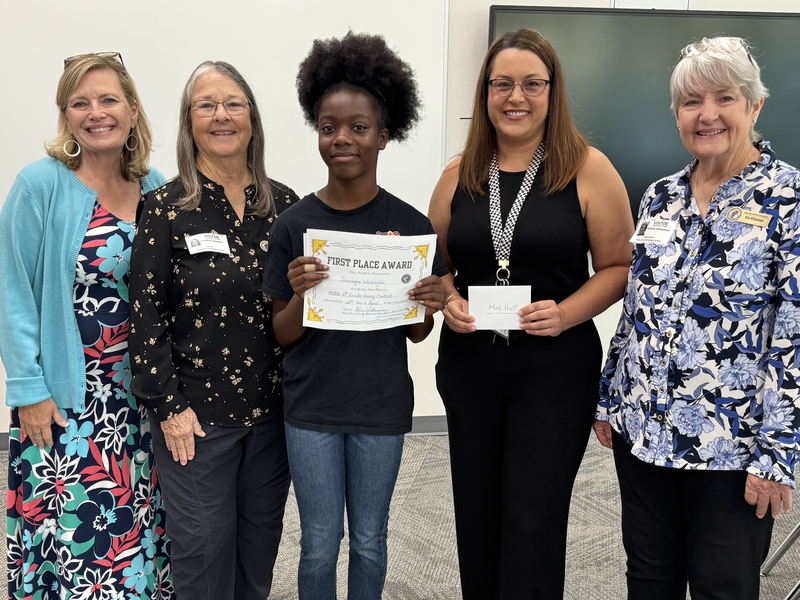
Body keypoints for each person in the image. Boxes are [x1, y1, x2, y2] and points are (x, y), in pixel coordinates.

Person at [429, 29, 634, 599]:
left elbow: (619, 266)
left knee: (532, 520)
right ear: (485, 93)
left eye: (532, 84)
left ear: (552, 91)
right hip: (471, 367)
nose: (515, 97)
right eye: (502, 84)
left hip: (555, 370)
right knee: (476, 515)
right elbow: (434, 265)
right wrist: (449, 301)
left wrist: (566, 313)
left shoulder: (589, 169)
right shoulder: (458, 174)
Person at [595, 36, 798, 600]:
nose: (707, 114)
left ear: (754, 105)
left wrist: (777, 455)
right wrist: (610, 397)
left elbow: (794, 339)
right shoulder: (660, 197)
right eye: (691, 102)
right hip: (643, 433)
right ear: (677, 114)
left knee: (722, 587)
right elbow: (638, 308)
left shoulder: (788, 198)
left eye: (724, 98)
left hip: (731, 447)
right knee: (649, 580)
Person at [261, 32, 449, 599]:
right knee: (319, 543)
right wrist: (300, 293)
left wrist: (427, 302)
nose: (342, 138)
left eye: (359, 127)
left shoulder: (412, 227)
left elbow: (417, 332)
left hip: (380, 406)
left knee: (369, 538)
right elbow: (282, 334)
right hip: (311, 407)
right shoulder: (294, 226)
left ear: (384, 135)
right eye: (328, 127)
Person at [0, 53, 170, 598]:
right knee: (83, 548)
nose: (96, 113)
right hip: (65, 405)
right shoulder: (39, 185)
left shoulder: (156, 185)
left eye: (109, 99)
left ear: (133, 110)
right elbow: (11, 291)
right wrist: (28, 388)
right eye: (80, 103)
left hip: (141, 401)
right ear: (66, 115)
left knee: (142, 541)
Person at [128, 61, 297, 600]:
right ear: (189, 121)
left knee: (259, 548)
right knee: (202, 550)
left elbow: (310, 301)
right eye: (206, 105)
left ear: (252, 118)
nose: (221, 115)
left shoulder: (286, 206)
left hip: (273, 415)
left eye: (233, 103)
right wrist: (168, 408)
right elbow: (146, 316)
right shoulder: (165, 208)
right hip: (196, 420)